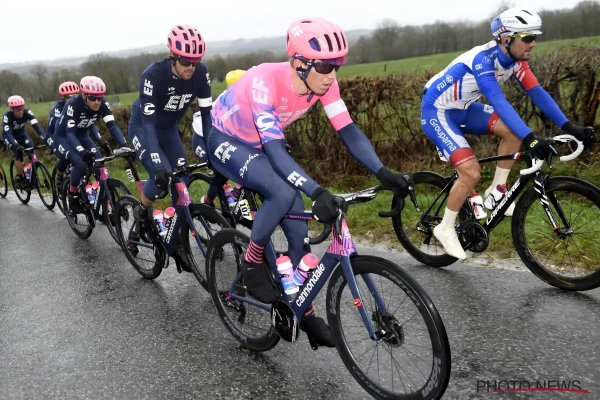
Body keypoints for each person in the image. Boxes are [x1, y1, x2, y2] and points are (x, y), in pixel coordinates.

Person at [207, 17, 412, 347]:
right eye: (326, 66)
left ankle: (303, 308)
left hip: (262, 142)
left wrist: (383, 172)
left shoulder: (325, 84)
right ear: (300, 63)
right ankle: (252, 260)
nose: (332, 75)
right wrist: (317, 191)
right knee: (281, 191)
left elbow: (348, 131)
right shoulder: (264, 81)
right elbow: (276, 152)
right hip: (225, 139)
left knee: (298, 227)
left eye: (337, 66)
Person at [420, 7, 596, 260]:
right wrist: (530, 139)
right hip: (437, 112)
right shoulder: (482, 60)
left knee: (513, 133)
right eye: (528, 38)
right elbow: (498, 101)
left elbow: (537, 92)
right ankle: (445, 227)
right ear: (506, 38)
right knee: (471, 172)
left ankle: (496, 191)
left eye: (535, 37)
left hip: (463, 108)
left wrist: (569, 127)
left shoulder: (516, 61)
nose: (533, 43)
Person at [128, 24, 213, 272]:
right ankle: (141, 211)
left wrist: (212, 151)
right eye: (185, 61)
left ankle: (177, 240)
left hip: (168, 130)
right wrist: (157, 165)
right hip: (144, 128)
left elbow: (207, 117)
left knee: (182, 180)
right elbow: (149, 125)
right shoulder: (153, 75)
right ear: (172, 56)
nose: (191, 67)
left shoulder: (200, 74)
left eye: (195, 61)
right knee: (161, 178)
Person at [53, 76, 128, 214]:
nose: (97, 102)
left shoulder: (102, 104)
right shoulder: (73, 104)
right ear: (84, 95)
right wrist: (81, 151)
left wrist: (124, 145)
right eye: (93, 98)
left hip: (82, 135)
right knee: (80, 163)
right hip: (64, 137)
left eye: (100, 98)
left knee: (99, 164)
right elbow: (70, 135)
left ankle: (105, 206)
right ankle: (73, 195)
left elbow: (112, 126)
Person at [192, 69, 247, 206]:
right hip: (201, 138)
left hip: (219, 137)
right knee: (223, 169)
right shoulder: (227, 102)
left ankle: (233, 192)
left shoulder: (242, 99)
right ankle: (207, 201)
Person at [46, 81, 111, 190]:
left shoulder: (80, 104)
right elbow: (63, 128)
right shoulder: (58, 109)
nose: (72, 98)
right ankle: (59, 177)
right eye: (69, 97)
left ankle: (91, 185)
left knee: (91, 160)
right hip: (56, 135)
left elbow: (89, 124)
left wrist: (100, 140)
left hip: (75, 135)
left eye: (75, 95)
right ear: (63, 98)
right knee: (67, 158)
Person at [2, 95, 47, 189]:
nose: (20, 111)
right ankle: (19, 178)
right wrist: (16, 145)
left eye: (21, 109)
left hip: (22, 134)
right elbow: (8, 133)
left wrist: (45, 138)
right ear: (12, 110)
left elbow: (36, 126)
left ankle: (30, 174)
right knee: (19, 153)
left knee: (31, 150)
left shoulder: (27, 112)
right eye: (17, 110)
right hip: (10, 137)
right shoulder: (7, 116)